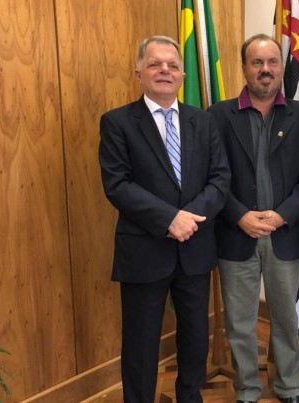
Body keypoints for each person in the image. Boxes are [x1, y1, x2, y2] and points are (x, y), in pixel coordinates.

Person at [98, 35, 230, 403]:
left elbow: (220, 179)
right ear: (138, 72)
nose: (164, 71)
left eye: (172, 65)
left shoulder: (202, 122)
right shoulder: (117, 122)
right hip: (144, 251)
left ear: (183, 74)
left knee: (193, 339)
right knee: (140, 345)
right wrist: (170, 219)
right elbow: (117, 185)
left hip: (195, 249)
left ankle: (190, 397)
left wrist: (190, 220)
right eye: (155, 64)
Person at [208, 34, 299, 403]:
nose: (266, 70)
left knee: (286, 319)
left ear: (280, 67)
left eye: (272, 62)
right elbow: (212, 177)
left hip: (284, 234)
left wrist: (282, 214)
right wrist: (239, 215)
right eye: (257, 63)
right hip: (236, 235)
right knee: (239, 322)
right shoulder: (218, 115)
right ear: (244, 68)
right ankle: (247, 391)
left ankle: (289, 387)